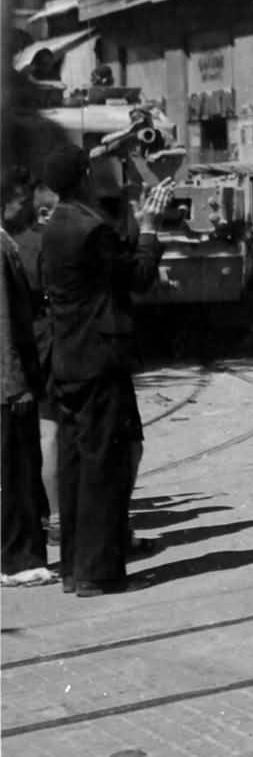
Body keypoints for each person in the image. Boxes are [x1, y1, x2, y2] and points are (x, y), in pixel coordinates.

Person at [40, 145, 171, 596]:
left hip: (68, 358)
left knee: (76, 463)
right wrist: (150, 229)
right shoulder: (91, 229)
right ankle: (100, 573)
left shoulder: (56, 225)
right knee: (104, 466)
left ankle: (76, 570)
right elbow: (137, 277)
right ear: (83, 176)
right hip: (100, 359)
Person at [2, 171, 53, 587]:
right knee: (14, 474)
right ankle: (17, 561)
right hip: (8, 385)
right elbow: (4, 323)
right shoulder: (2, 246)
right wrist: (15, 382)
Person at [11, 179, 61, 544]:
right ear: (44, 212)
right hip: (50, 340)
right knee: (52, 430)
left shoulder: (16, 244)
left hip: (29, 343)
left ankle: (44, 511)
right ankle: (58, 515)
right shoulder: (46, 244)